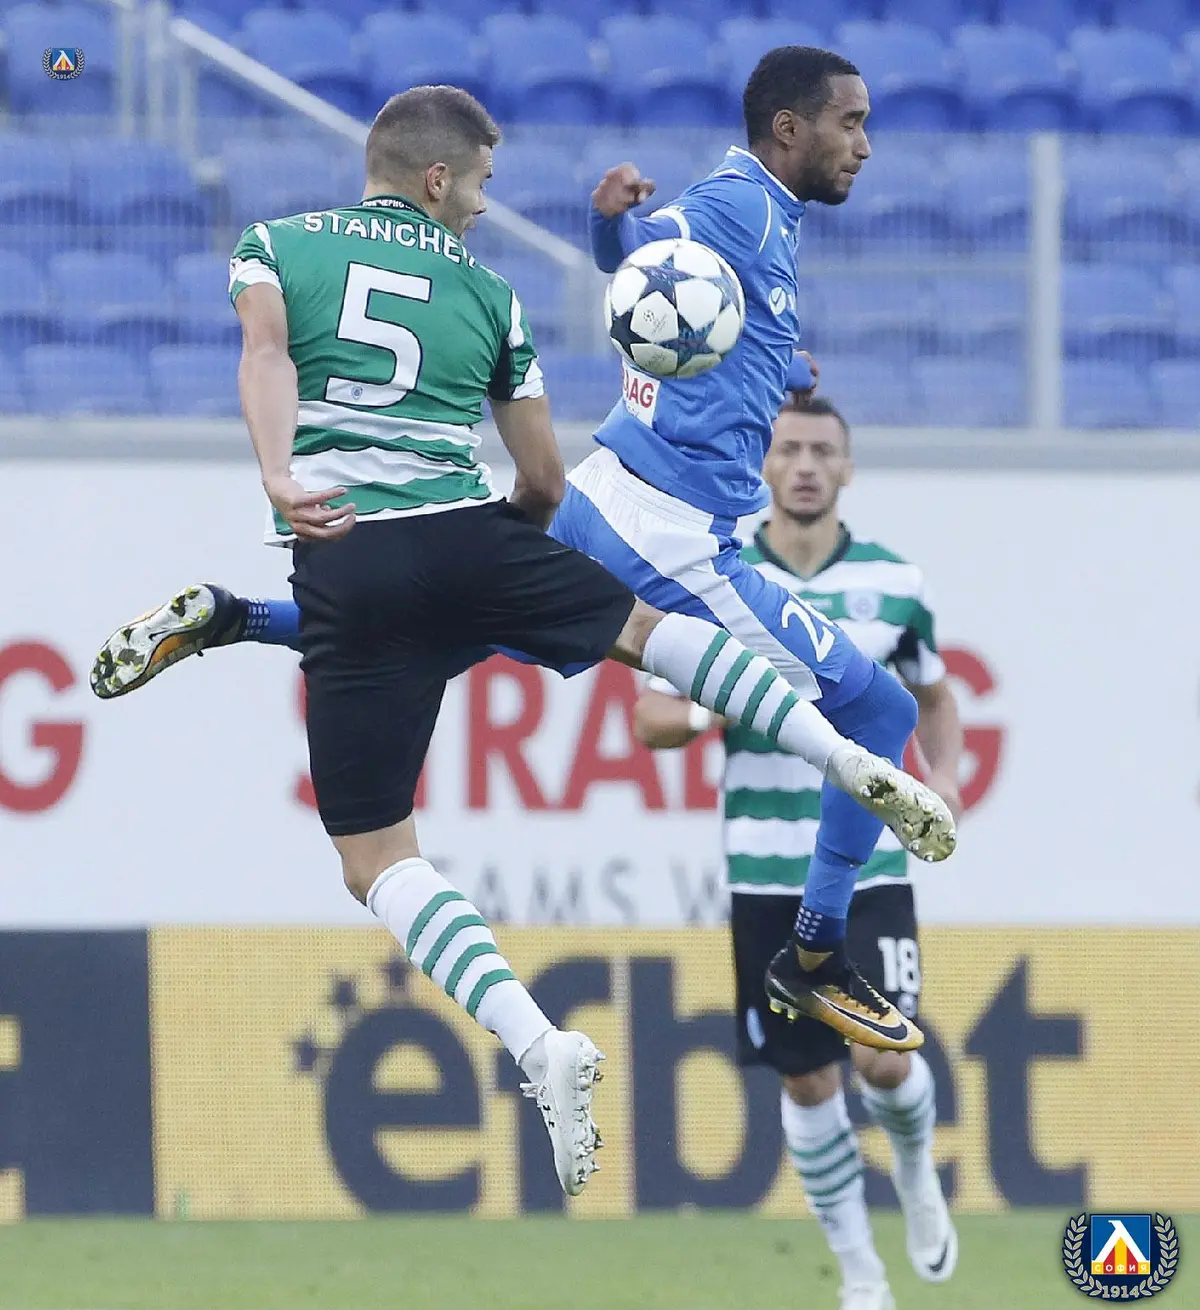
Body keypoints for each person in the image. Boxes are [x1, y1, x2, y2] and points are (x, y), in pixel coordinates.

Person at [87, 86, 950, 1194]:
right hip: (516, 526)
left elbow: (265, 356)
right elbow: (541, 474)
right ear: (439, 179)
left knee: (379, 856)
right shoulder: (495, 294)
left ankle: (537, 1040)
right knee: (661, 637)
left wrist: (278, 475)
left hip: (341, 556)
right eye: (484, 184)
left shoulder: (274, 244)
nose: (489, 207)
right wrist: (509, 562)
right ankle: (837, 828)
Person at [633, 387, 962, 1310]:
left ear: (847, 467)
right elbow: (651, 716)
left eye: (823, 450)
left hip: (870, 872)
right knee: (808, 1078)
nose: (806, 465)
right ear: (763, 465)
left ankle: (914, 1169)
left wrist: (945, 776)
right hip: (763, 870)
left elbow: (933, 696)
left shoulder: (896, 584)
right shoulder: (714, 581)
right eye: (789, 450)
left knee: (885, 1063)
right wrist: (711, 705)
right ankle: (862, 1277)